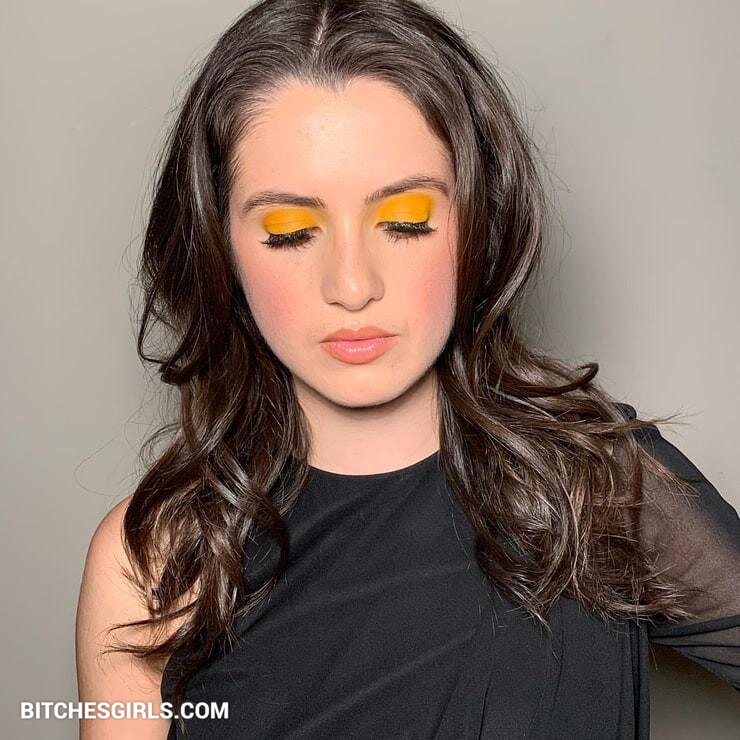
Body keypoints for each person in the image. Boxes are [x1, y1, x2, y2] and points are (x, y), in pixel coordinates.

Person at [75, 1, 740, 738]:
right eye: (290, 231)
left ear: (478, 221)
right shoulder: (158, 559)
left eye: (406, 220)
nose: (352, 285)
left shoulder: (599, 487)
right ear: (219, 248)